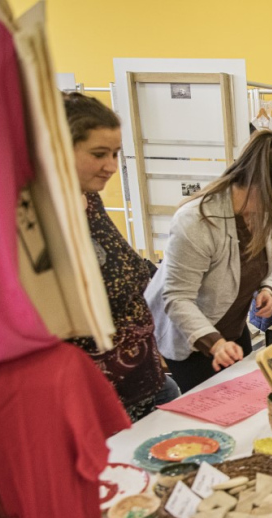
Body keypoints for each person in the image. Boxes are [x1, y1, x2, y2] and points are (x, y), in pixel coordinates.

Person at [145, 129, 272, 392]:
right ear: (261, 187)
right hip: (194, 342)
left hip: (232, 329)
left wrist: (267, 287)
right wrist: (216, 344)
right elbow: (177, 298)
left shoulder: (266, 209)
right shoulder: (196, 221)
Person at [63, 92, 172, 421]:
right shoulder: (38, 221)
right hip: (100, 402)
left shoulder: (89, 199)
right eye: (99, 154)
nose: (112, 166)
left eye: (115, 154)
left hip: (146, 382)